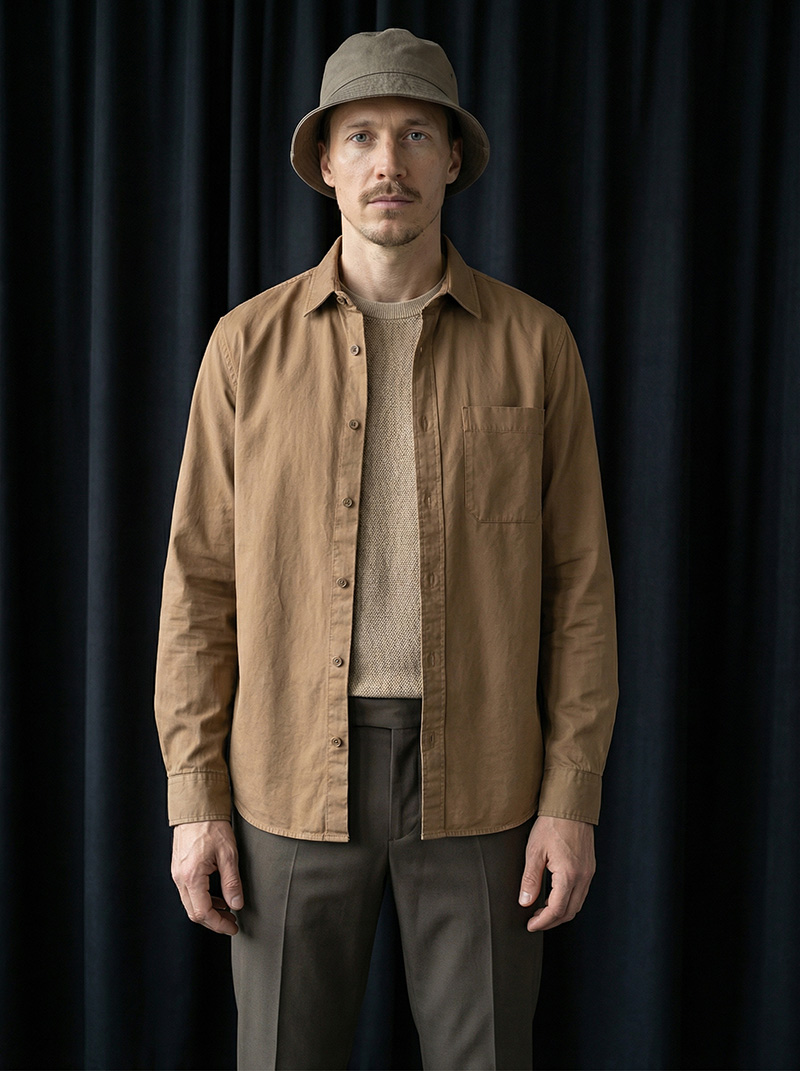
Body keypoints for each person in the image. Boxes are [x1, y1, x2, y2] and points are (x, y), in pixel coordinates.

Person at [155, 27, 618, 1071]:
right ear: (324, 162)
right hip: (285, 778)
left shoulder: (535, 345)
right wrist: (195, 800)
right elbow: (198, 588)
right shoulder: (245, 346)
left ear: (452, 158)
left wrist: (570, 795)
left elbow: (580, 589)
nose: (388, 162)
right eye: (360, 135)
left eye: (415, 133)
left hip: (486, 781)